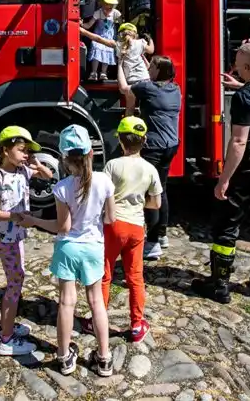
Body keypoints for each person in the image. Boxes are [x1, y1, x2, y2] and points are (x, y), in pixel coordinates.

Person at [193, 43, 250, 304]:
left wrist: (224, 179)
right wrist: (242, 86)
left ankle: (219, 286)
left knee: (227, 222)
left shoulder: (244, 98)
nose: (234, 66)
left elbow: (238, 142)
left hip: (249, 164)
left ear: (246, 67)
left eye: (237, 62)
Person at [32, 125, 115, 377]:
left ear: (64, 159)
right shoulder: (104, 181)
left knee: (67, 302)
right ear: (91, 153)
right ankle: (104, 358)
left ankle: (64, 357)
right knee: (96, 302)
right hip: (93, 248)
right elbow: (110, 219)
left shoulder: (63, 188)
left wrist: (34, 220)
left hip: (68, 249)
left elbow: (63, 227)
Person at [0, 126, 54, 356]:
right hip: (6, 238)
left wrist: (37, 164)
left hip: (16, 236)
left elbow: (49, 177)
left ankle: (7, 324)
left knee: (17, 279)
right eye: (21, 150)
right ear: (5, 150)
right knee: (15, 284)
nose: (25, 155)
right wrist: (12, 216)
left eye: (27, 151)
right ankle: (6, 338)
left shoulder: (23, 171)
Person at [92, 117, 162, 343]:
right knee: (135, 277)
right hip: (136, 226)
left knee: (105, 274)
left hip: (113, 225)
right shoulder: (150, 168)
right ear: (144, 140)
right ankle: (136, 324)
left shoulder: (112, 165)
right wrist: (139, 204)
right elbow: (156, 203)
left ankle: (98, 319)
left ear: (121, 142)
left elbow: (103, 195)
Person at [118, 55, 182, 259]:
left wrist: (120, 63)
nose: (148, 68)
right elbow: (154, 74)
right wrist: (145, 60)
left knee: (149, 194)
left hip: (153, 147)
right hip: (171, 145)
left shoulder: (147, 88)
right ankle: (162, 234)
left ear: (158, 71)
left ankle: (152, 243)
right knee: (160, 188)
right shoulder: (175, 89)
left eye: (152, 66)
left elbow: (124, 88)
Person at [82, 22, 153, 87]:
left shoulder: (117, 45)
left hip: (130, 80)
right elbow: (151, 50)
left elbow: (98, 39)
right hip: (144, 77)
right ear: (135, 35)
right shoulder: (141, 42)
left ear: (119, 35)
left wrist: (83, 31)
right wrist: (150, 39)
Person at [83, 0, 122, 82]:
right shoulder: (98, 13)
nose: (109, 7)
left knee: (107, 51)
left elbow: (121, 26)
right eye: (107, 4)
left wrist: (122, 35)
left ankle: (103, 73)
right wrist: (81, 25)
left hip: (109, 38)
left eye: (111, 5)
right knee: (96, 48)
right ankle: (93, 72)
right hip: (98, 36)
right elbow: (89, 25)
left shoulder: (116, 13)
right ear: (101, 3)